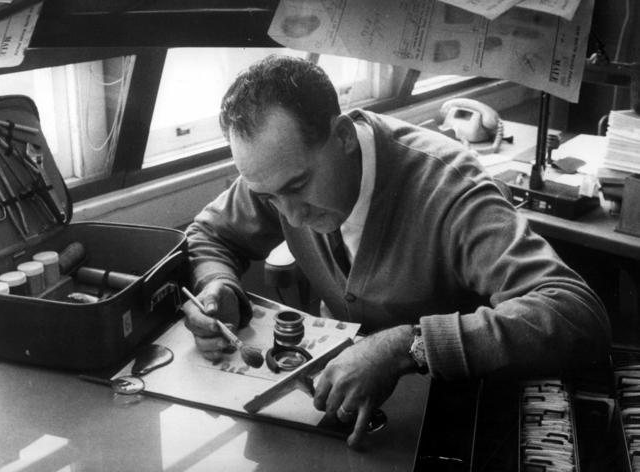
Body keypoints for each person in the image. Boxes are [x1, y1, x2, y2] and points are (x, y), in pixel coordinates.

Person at [181, 54, 611, 448]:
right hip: (359, 418)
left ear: (344, 136)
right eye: (269, 197)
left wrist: (410, 345)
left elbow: (574, 313)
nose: (290, 216)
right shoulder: (278, 172)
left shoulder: (450, 190)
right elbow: (209, 234)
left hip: (459, 418)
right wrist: (217, 283)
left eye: (297, 188)